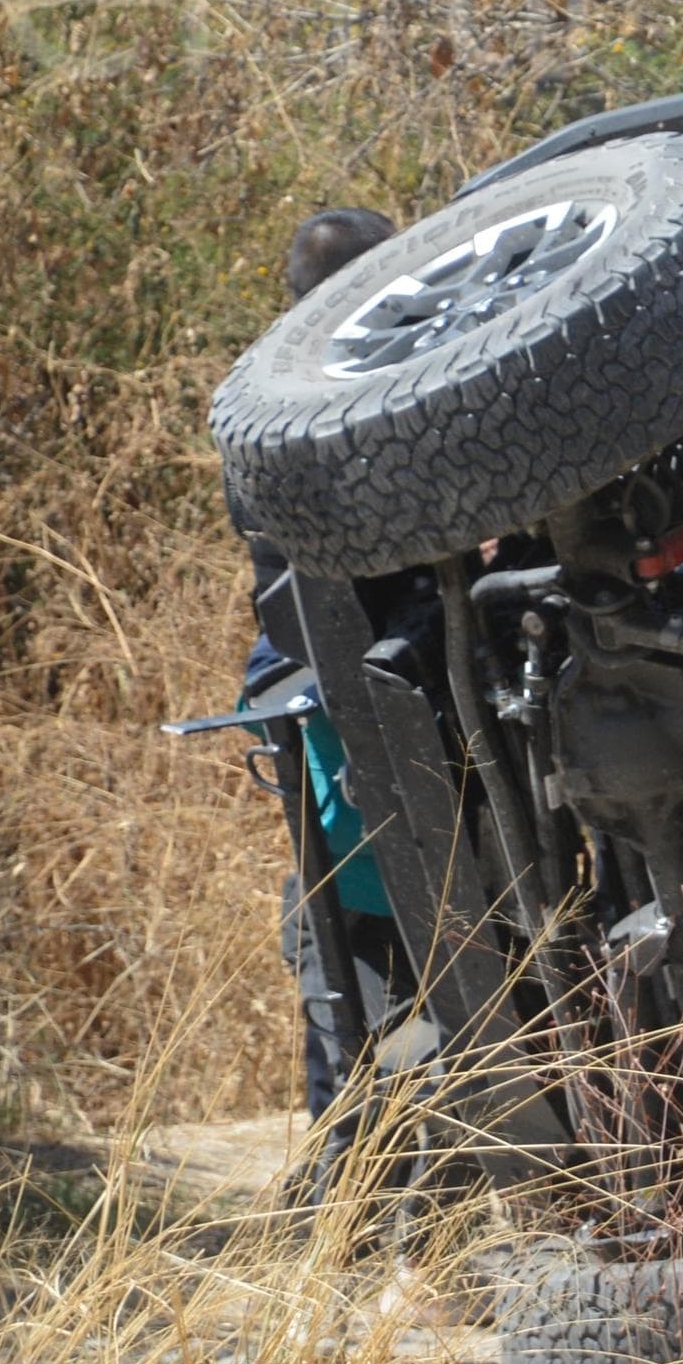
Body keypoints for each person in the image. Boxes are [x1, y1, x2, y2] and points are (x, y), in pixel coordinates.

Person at [239, 207, 405, 1111]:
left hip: (316, 681)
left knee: (349, 922)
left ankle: (354, 1173)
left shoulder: (262, 390)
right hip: (344, 686)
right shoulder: (384, 384)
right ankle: (352, 1180)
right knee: (357, 922)